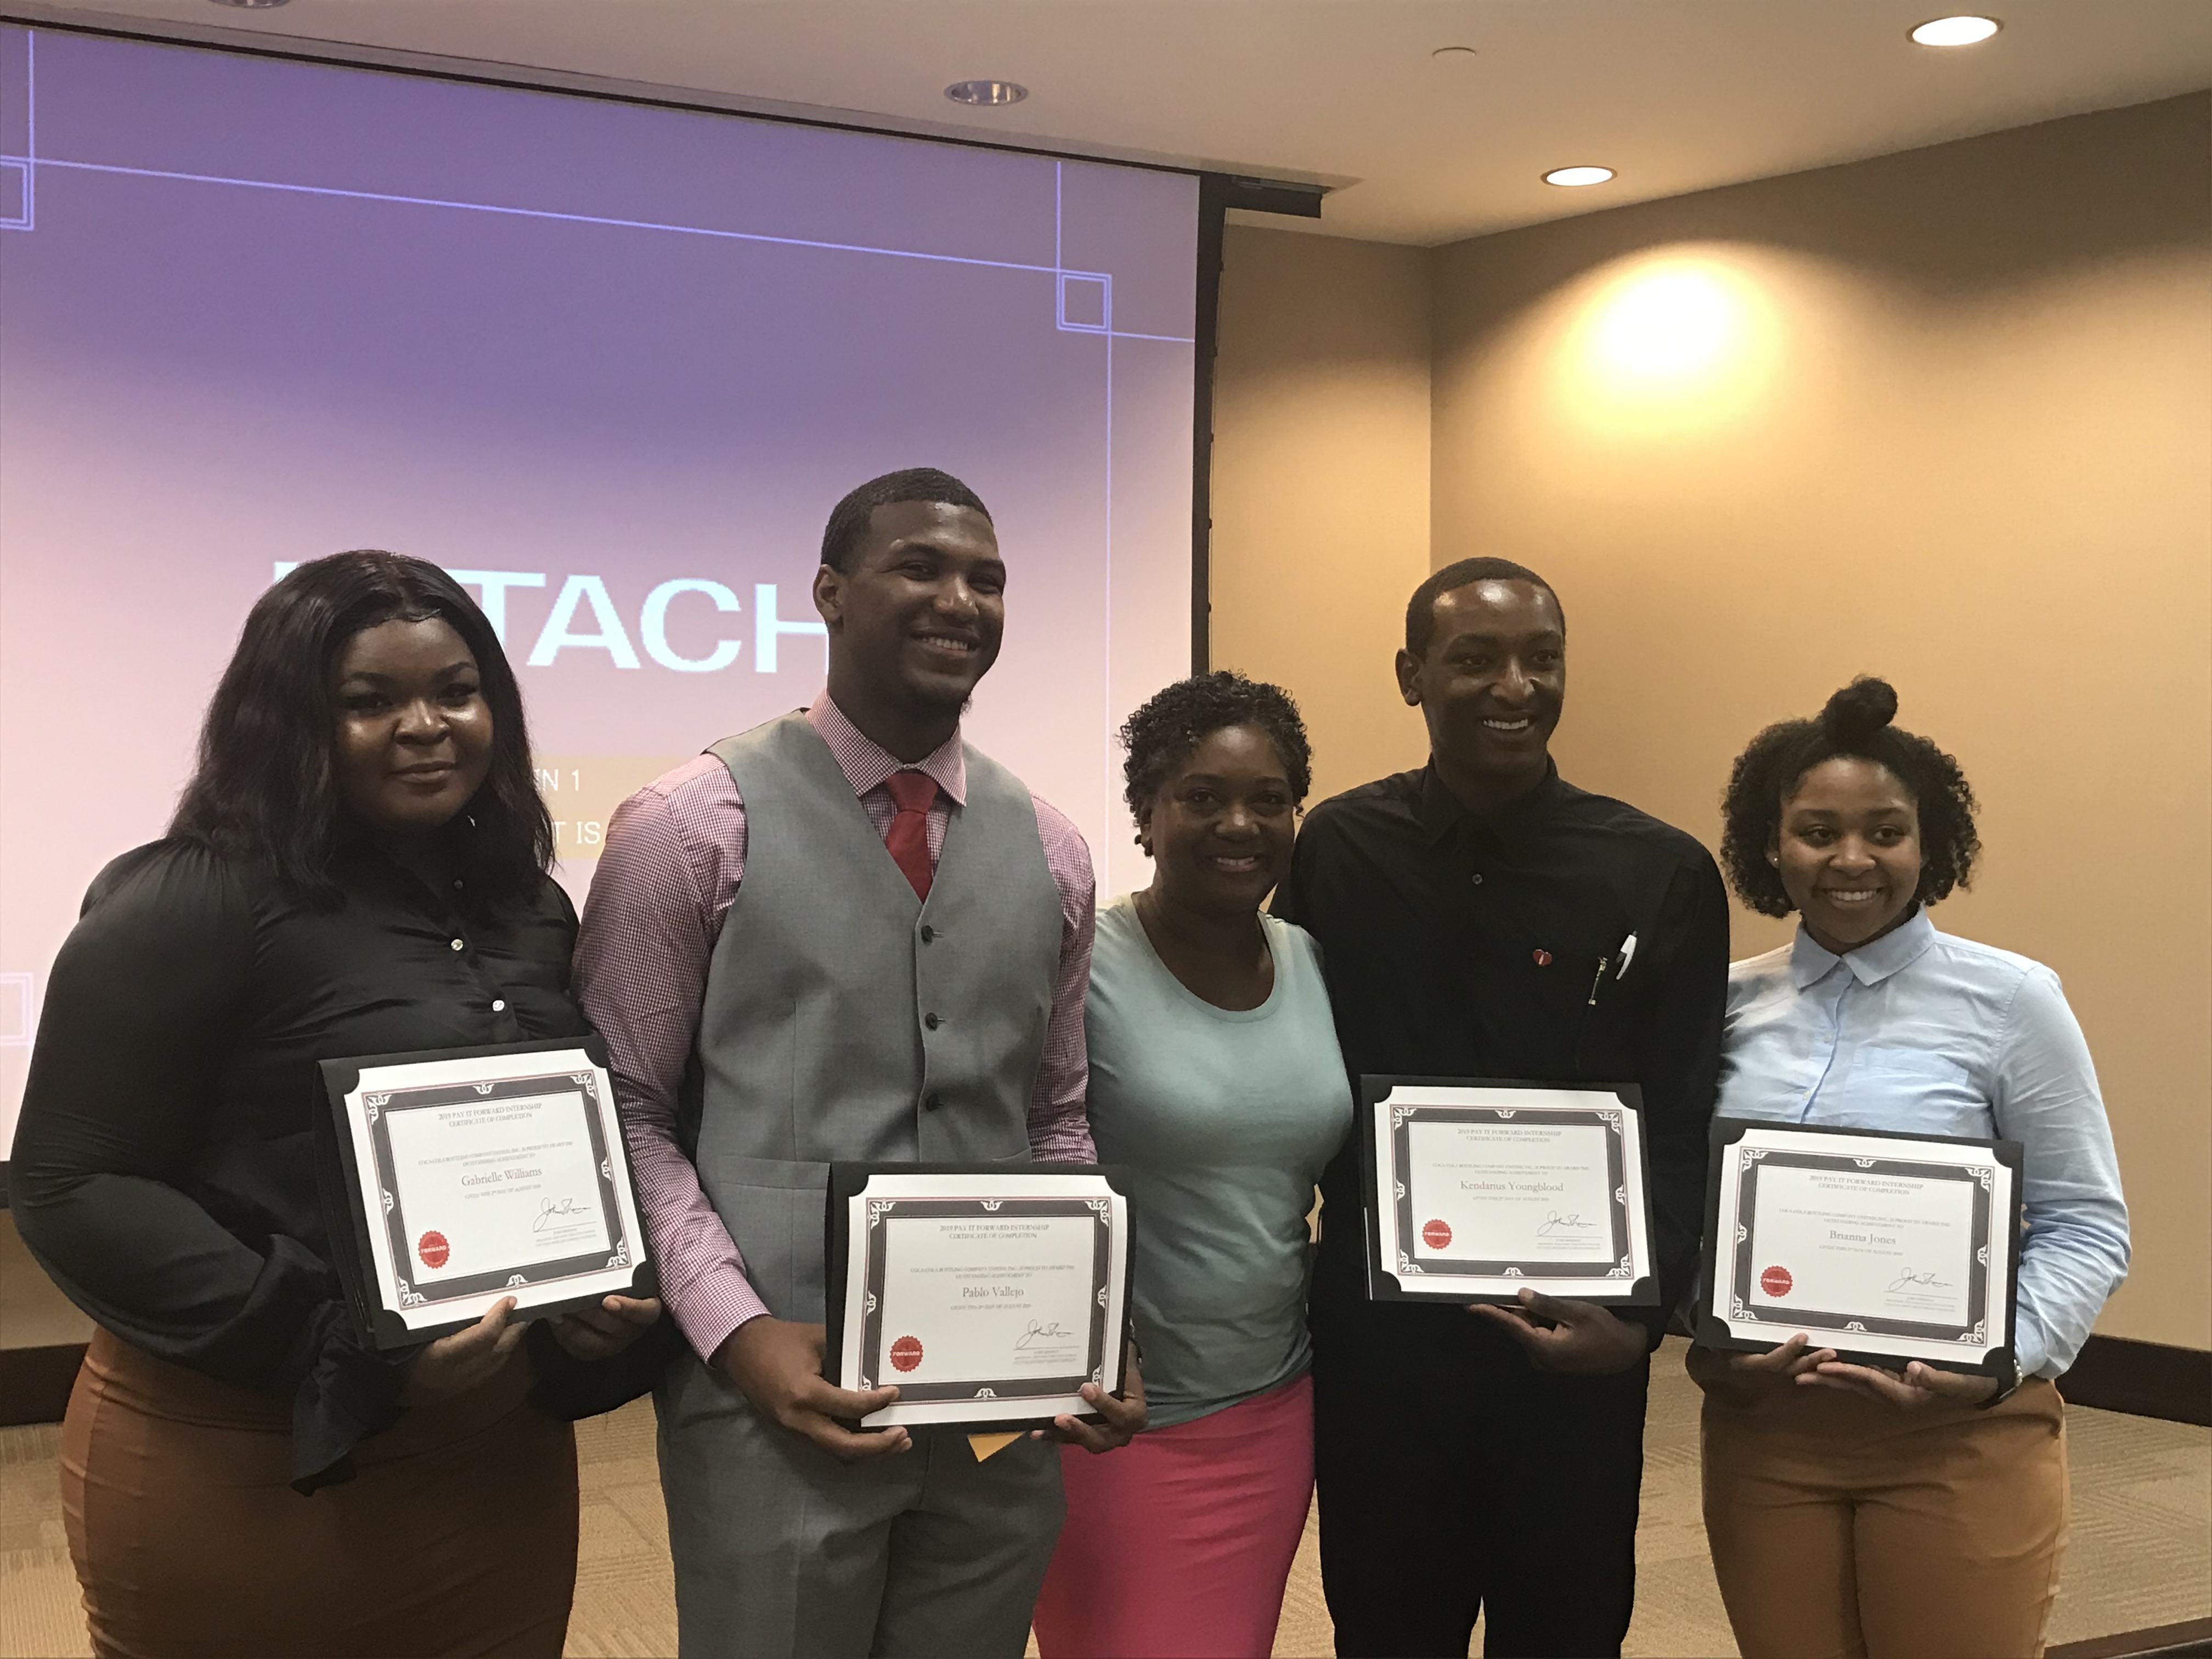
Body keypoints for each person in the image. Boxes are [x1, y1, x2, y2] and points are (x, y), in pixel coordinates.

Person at [9, 551, 665, 1659]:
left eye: (456, 693)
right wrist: (339, 1343)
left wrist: (586, 1295)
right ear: (289, 722)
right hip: (247, 1459)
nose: (426, 727)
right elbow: (72, 1183)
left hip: (492, 1460)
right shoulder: (192, 899)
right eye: (370, 701)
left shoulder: (527, 907)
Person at [575, 466, 1144, 1659]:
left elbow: (1055, 1119)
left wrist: (1094, 1324)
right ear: (829, 592)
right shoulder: (689, 825)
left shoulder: (1052, 849)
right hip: (776, 1400)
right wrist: (737, 1331)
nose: (960, 601)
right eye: (920, 568)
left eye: (987, 579)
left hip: (998, 1417)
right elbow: (624, 1113)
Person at [1271, 556, 1729, 1658]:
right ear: (1411, 676)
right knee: (1387, 1629)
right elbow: (1290, 1051)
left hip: (1573, 1343)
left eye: (1542, 659)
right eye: (1475, 659)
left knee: (1566, 1630)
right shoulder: (1338, 846)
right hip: (1383, 1343)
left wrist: (1641, 1322)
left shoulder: (1658, 871)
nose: (1515, 687)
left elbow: (1681, 1114)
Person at [1691, 675, 2129, 1659]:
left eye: (1885, 832)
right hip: (1768, 1434)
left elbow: (2086, 1223)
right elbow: (1686, 1205)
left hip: (1958, 1434)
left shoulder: (2013, 1001)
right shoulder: (1722, 1005)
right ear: (1771, 846)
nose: (1852, 860)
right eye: (1817, 832)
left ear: (1930, 846)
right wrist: (1704, 1327)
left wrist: (1998, 1360)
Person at [1031, 672, 1351, 1659]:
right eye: (1202, 797)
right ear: (1146, 813)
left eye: (1268, 800)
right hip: (1114, 1414)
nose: (1238, 825)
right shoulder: (1084, 963)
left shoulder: (1312, 962)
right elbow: (1026, 1162)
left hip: (1272, 1404)